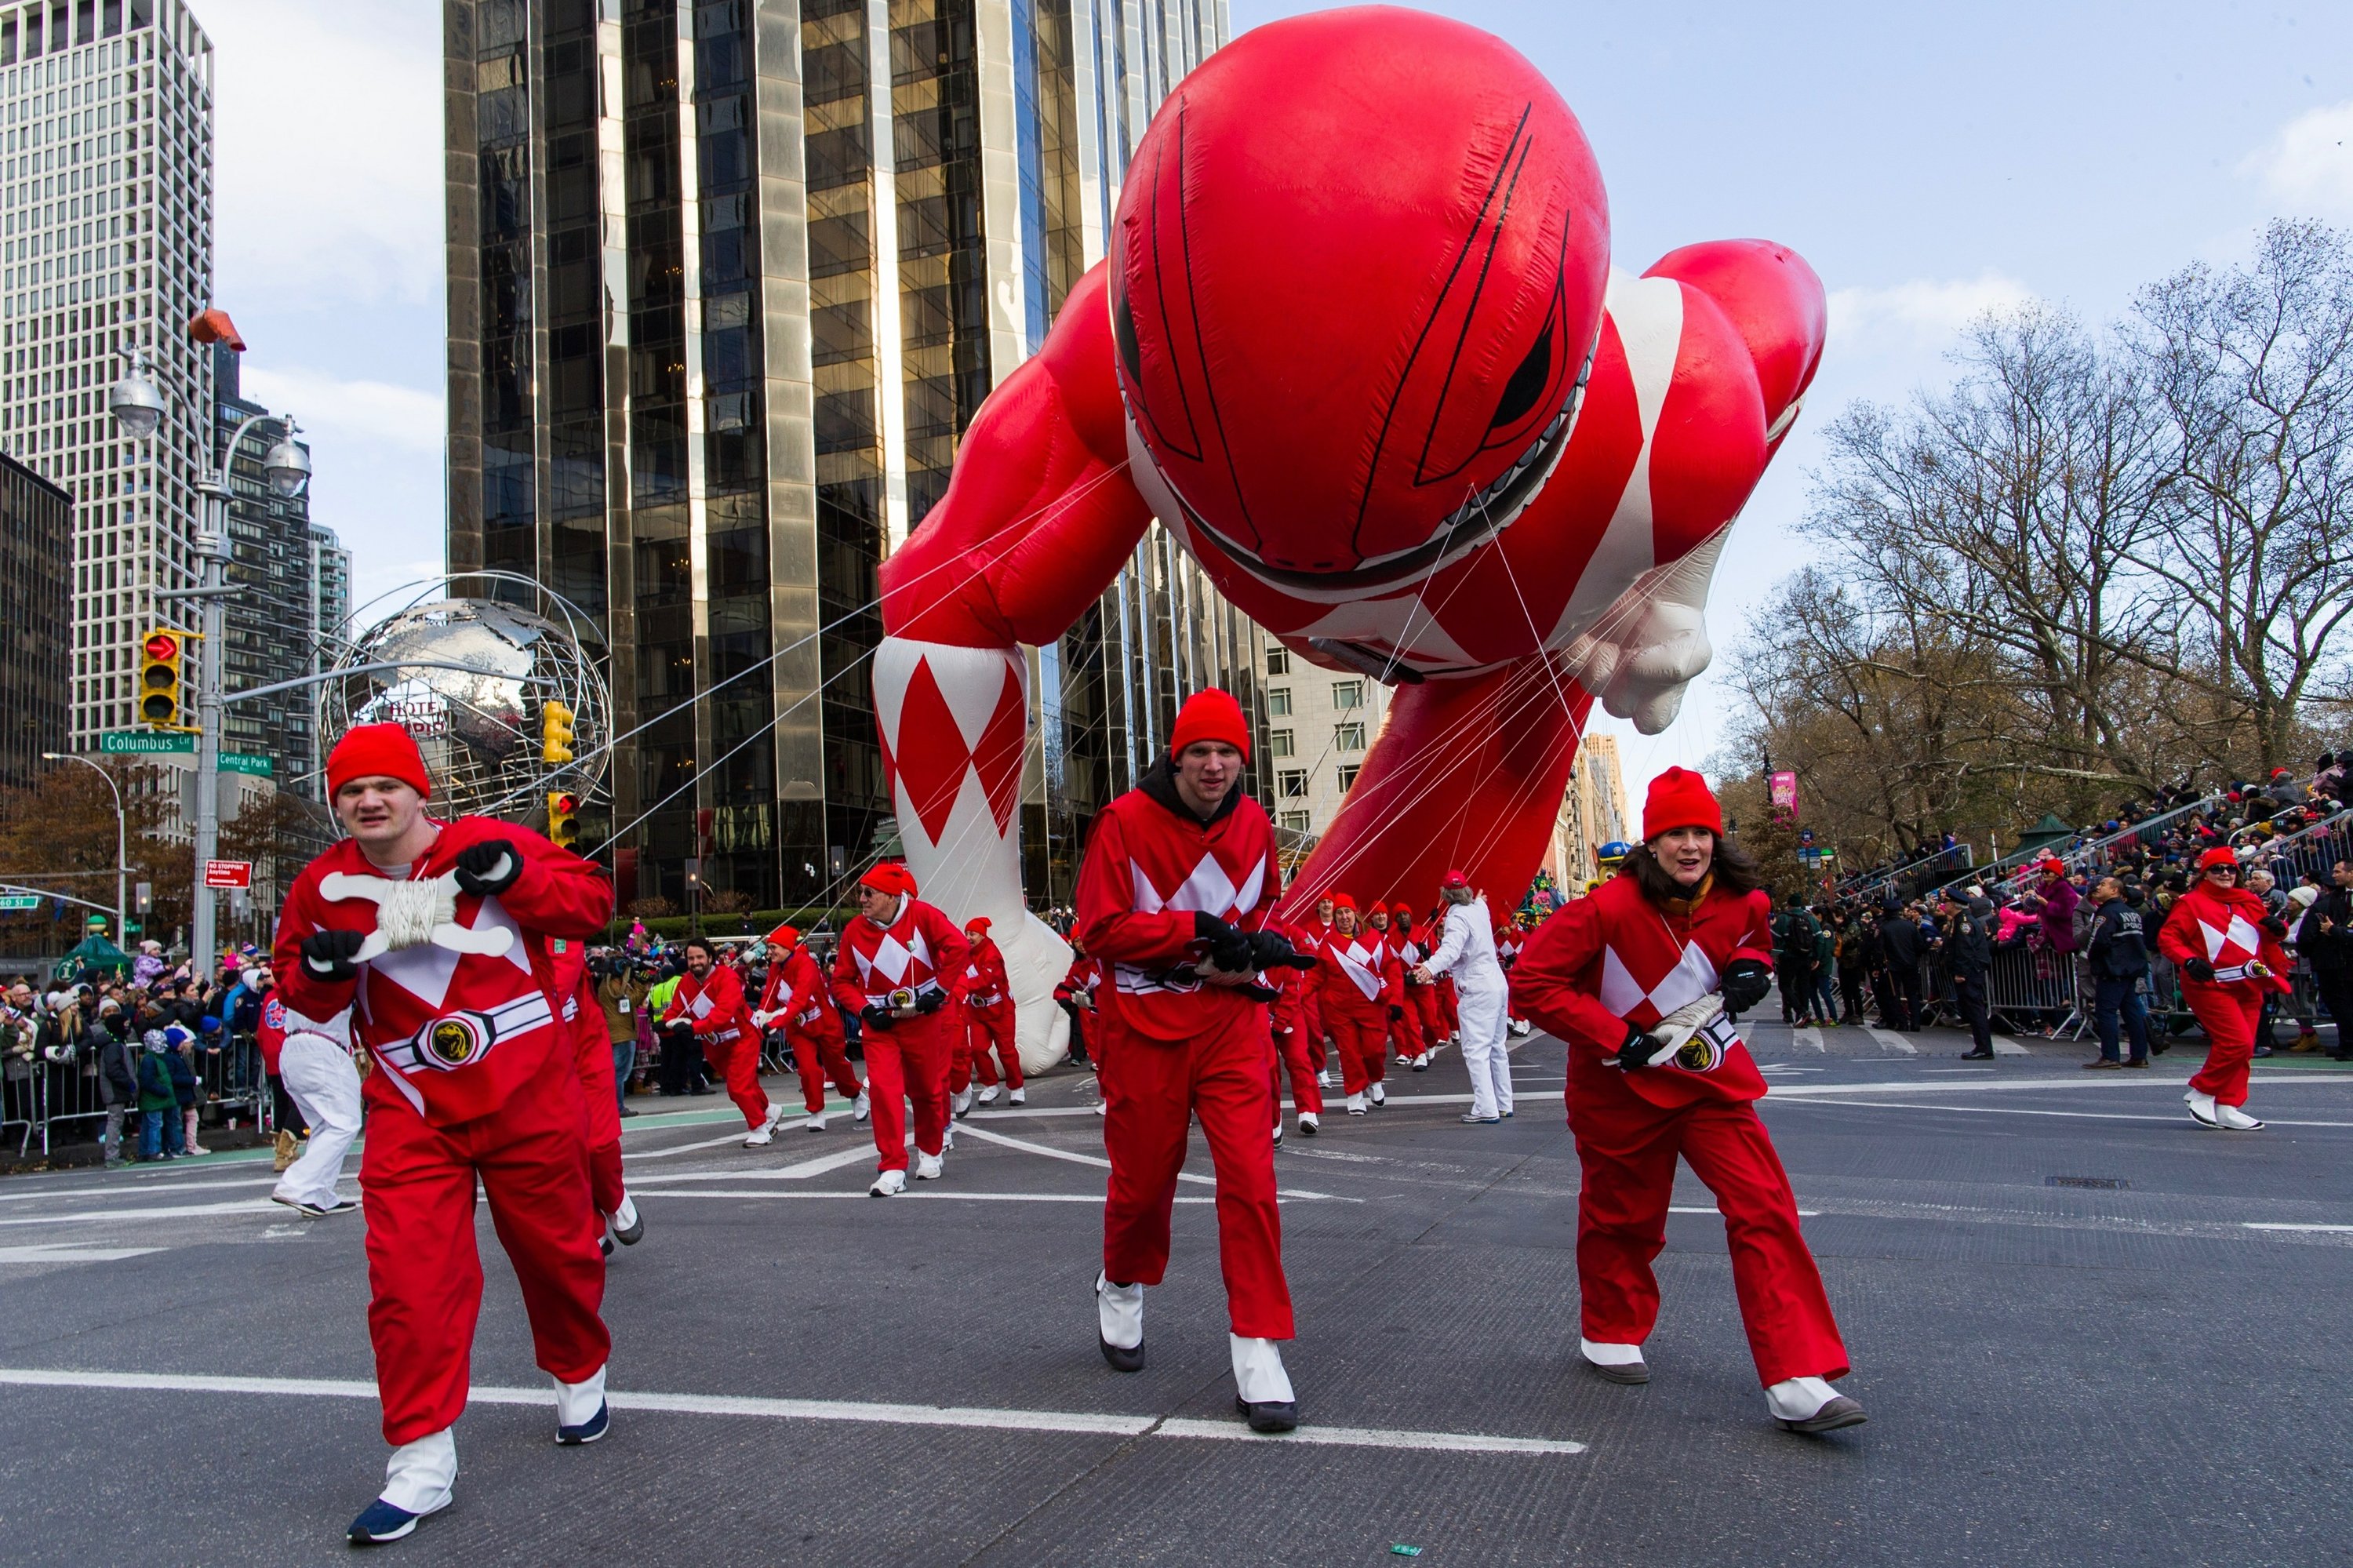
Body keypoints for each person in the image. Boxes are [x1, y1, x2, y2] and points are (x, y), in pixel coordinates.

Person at [272, 722, 614, 1545]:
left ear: (419, 791)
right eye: (351, 791)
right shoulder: (320, 886)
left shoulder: (487, 840)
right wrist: (318, 972)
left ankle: (579, 1368)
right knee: (408, 1282)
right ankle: (420, 1460)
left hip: (526, 1091)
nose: (368, 800)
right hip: (411, 1104)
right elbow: (298, 999)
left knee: (556, 1251)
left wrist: (519, 875)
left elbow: (592, 904)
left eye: (383, 785)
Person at [1511, 766, 1864, 1435]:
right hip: (1619, 1092)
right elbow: (1531, 982)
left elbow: (1751, 943)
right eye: (1676, 832)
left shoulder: (1745, 902)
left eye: (1701, 830)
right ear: (1652, 843)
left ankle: (1797, 1375)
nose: (1691, 844)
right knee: (1624, 1217)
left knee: (1765, 1208)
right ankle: (1610, 1328)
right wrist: (1618, 1037)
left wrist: (1752, 967)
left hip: (1710, 1085)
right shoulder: (1601, 910)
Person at [1076, 689, 1302, 1432]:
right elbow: (1100, 928)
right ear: (1177, 755)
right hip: (1143, 1027)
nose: (1214, 765)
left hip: (1230, 1023)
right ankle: (1120, 1282)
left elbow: (1266, 905)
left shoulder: (1256, 823)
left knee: (1252, 1180)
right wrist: (1191, 929)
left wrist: (1255, 944)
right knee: (1144, 1185)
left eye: (1227, 752)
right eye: (1200, 752)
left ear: (1243, 759)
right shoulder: (1123, 822)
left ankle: (1258, 1342)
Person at [830, 861, 969, 1196]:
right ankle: (892, 1166)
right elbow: (841, 982)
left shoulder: (924, 915)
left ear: (892, 896)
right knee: (883, 1091)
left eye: (868, 893)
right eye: (860, 892)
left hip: (922, 1019)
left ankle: (932, 1149)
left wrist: (940, 991)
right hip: (881, 1024)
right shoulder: (854, 932)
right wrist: (864, 1008)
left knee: (926, 1089)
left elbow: (959, 948)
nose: (861, 899)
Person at [2158, 847, 2292, 1131]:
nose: (2225, 874)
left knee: (2245, 1049)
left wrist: (2277, 930)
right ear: (2204, 873)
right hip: (2211, 984)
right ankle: (2203, 1091)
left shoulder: (2248, 901)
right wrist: (2190, 960)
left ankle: (2228, 1105)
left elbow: (2259, 938)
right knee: (2237, 1043)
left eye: (2231, 869)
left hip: (2248, 982)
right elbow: (2169, 938)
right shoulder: (2191, 903)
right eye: (2217, 869)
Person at [664, 936, 782, 1147]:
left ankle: (759, 1128)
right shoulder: (685, 983)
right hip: (714, 1044)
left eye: (700, 957)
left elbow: (723, 1013)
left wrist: (692, 1028)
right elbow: (676, 1010)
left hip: (742, 1037)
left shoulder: (727, 977)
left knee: (737, 1087)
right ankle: (768, 1110)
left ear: (710, 957)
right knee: (745, 1085)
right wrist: (665, 1023)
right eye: (691, 958)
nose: (695, 962)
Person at [1415, 869, 1511, 1123]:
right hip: (1497, 981)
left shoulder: (1456, 917)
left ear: (1445, 895)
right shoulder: (1478, 909)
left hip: (1477, 984)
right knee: (1497, 1047)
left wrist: (1429, 967)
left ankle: (1486, 1108)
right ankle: (1504, 1103)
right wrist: (1478, 898)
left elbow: (1450, 949)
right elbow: (1480, 902)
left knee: (1476, 1050)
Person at [755, 924, 866, 1131]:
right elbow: (769, 998)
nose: (769, 952)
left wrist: (776, 1022)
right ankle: (816, 1111)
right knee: (807, 1069)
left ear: (787, 947)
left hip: (825, 1024)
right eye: (769, 948)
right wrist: (761, 1016)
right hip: (798, 1028)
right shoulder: (775, 970)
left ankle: (854, 1092)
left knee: (837, 1067)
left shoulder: (805, 965)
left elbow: (799, 1000)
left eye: (773, 947)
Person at [261, 990, 363, 1217]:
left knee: (324, 1126)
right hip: (323, 1045)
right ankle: (299, 1185)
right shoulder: (339, 965)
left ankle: (318, 1193)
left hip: (294, 1045)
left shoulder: (304, 968)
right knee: (344, 1123)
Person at [1312, 894, 1395, 1115]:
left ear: (1355, 913)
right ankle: (1355, 1094)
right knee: (1348, 1053)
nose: (1343, 917)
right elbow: (1316, 976)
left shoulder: (1374, 939)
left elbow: (1391, 968)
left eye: (1347, 912)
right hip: (1340, 1009)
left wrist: (1395, 1000)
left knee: (1375, 1051)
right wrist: (1297, 996)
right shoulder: (1329, 943)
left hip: (1371, 1006)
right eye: (1339, 913)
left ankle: (1375, 1080)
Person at [955, 915, 1024, 1108]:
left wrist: (960, 986)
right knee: (977, 1048)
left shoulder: (992, 954)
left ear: (983, 936)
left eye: (973, 934)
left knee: (1007, 1051)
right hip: (977, 1011)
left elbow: (985, 980)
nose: (968, 937)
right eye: (967, 933)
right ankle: (990, 1084)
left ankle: (1017, 1087)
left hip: (1001, 1011)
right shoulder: (965, 954)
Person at [2083, 877, 2152, 1069]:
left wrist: (2092, 958)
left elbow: (2099, 941)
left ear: (2115, 891)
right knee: (2132, 1012)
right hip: (2132, 968)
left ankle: (2110, 1056)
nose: (2098, 887)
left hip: (2113, 968)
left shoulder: (2106, 913)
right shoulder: (2131, 913)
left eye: (2103, 885)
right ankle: (2139, 1055)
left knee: (2106, 1012)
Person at [2304, 860, 2353, 1060]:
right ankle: (2346, 1043)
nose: (2333, 875)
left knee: (2344, 1005)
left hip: (2343, 961)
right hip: (2338, 962)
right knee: (2341, 1005)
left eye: (2337, 871)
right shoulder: (2337, 897)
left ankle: (2349, 1045)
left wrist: (2334, 931)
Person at [593, 955, 648, 1119]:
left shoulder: (606, 985)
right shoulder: (616, 987)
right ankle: (618, 1107)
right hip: (622, 1034)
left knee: (616, 1072)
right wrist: (641, 985)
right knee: (620, 1073)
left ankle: (613, 1105)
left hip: (615, 1033)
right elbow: (632, 1001)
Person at [1945, 895, 1997, 1060]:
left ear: (1954, 904)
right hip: (1971, 970)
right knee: (1972, 1009)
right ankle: (1980, 1045)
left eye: (1947, 902)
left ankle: (1984, 1047)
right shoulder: (1960, 920)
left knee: (1975, 1010)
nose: (1945, 905)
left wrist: (1962, 972)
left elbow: (1965, 949)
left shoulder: (1964, 922)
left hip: (1971, 971)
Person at [135, 1029, 183, 1160]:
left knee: (149, 1125)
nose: (165, 1046)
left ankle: (145, 1151)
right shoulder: (150, 1060)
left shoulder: (154, 1058)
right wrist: (163, 1091)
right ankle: (154, 1151)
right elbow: (148, 1081)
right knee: (155, 1124)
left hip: (153, 1099)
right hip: (154, 1099)